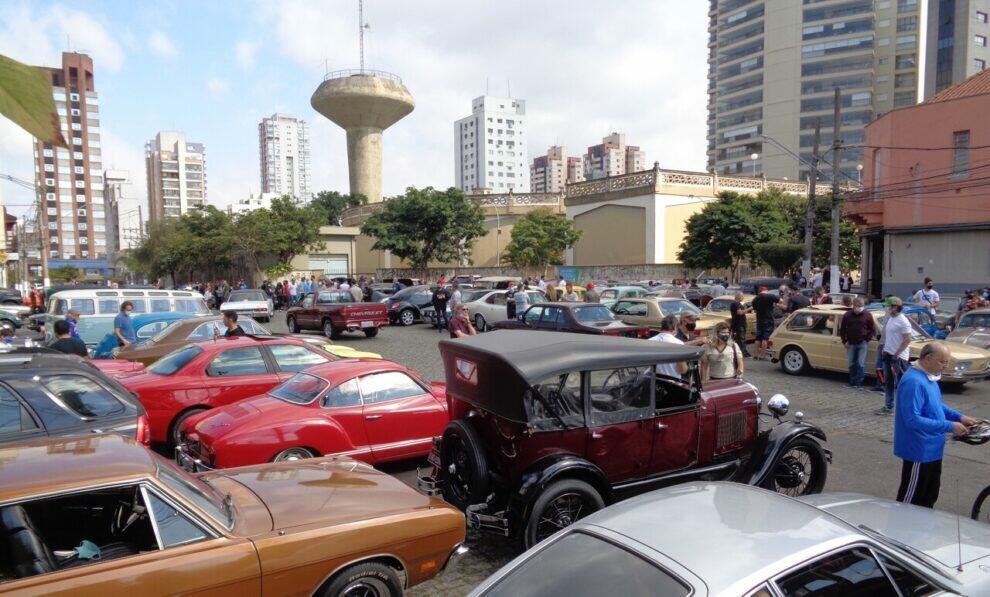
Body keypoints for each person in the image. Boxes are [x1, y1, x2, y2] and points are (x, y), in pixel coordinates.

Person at [894, 342, 977, 508]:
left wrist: (960, 417)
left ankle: (922, 531)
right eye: (942, 362)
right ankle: (900, 531)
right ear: (927, 358)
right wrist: (950, 426)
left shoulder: (928, 377)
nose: (945, 366)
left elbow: (937, 406)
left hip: (933, 449)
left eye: (947, 362)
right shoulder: (913, 382)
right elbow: (912, 420)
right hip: (919, 450)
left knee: (929, 495)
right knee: (910, 500)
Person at [878, 297, 912, 415]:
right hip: (888, 354)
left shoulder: (903, 320)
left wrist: (897, 353)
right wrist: (884, 349)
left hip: (898, 358)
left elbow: (907, 339)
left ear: (895, 307)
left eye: (889, 307)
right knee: (888, 382)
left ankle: (905, 409)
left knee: (902, 385)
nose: (887, 309)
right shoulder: (891, 319)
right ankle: (888, 406)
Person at [840, 297, 877, 389]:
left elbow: (872, 329)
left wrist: (866, 339)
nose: (859, 307)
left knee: (860, 363)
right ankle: (852, 382)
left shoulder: (867, 315)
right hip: (851, 343)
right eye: (858, 306)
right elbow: (843, 329)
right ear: (854, 305)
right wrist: (844, 341)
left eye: (861, 306)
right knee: (852, 363)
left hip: (862, 343)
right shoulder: (847, 315)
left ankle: (859, 383)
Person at [649, 315, 689, 379]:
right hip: (672, 382)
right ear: (675, 327)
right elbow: (682, 370)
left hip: (653, 380)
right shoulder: (678, 343)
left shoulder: (650, 341)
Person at [750, 287, 777, 360]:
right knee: (765, 338)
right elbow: (779, 301)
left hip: (759, 319)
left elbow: (754, 308)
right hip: (768, 319)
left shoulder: (755, 299)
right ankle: (762, 356)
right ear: (766, 291)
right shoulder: (770, 296)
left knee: (758, 337)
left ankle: (755, 355)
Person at [728, 292, 752, 358]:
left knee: (740, 339)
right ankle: (743, 353)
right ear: (738, 296)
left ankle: (740, 352)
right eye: (742, 296)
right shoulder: (735, 304)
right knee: (741, 340)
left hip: (740, 324)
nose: (743, 297)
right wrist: (749, 309)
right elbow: (740, 313)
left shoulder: (738, 304)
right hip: (738, 325)